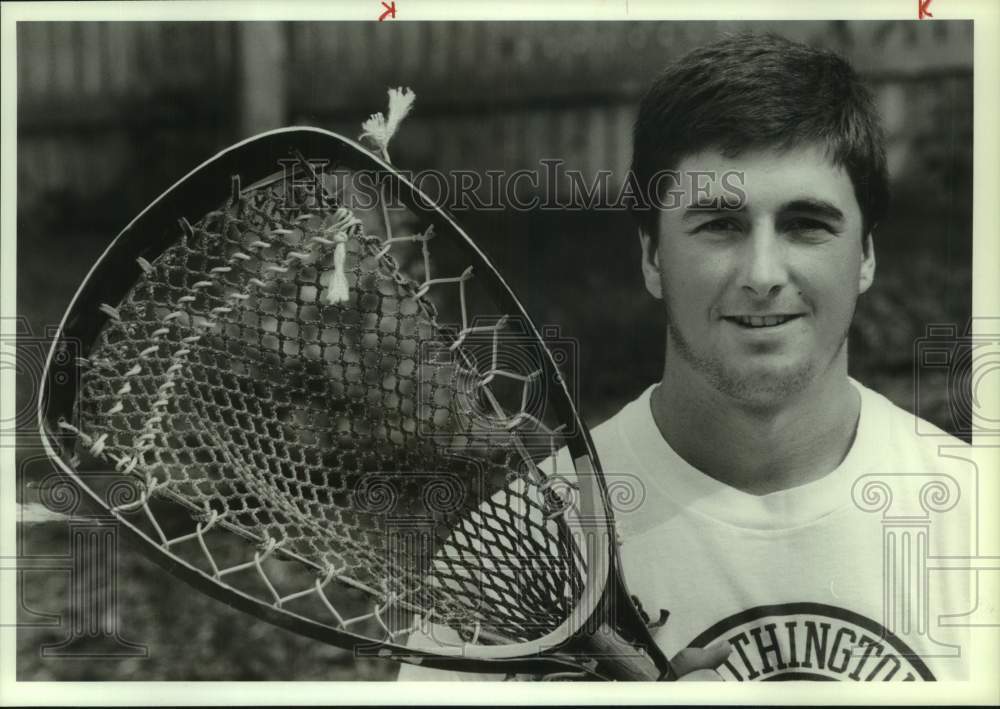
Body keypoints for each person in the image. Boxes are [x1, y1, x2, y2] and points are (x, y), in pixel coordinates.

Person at [397, 32, 972, 682]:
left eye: (806, 223)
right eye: (719, 224)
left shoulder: (976, 516)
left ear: (865, 254)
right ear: (651, 258)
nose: (762, 272)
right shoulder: (514, 552)